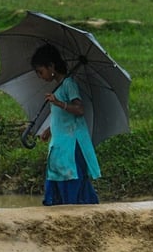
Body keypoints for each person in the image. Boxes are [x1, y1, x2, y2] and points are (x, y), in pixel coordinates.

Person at [31, 43, 101, 205]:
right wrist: (49, 130)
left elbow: (79, 109)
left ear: (51, 66)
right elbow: (62, 116)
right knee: (57, 175)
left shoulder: (69, 84)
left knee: (70, 176)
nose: (40, 76)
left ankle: (74, 207)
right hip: (60, 142)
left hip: (71, 143)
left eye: (41, 71)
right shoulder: (59, 87)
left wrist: (58, 102)